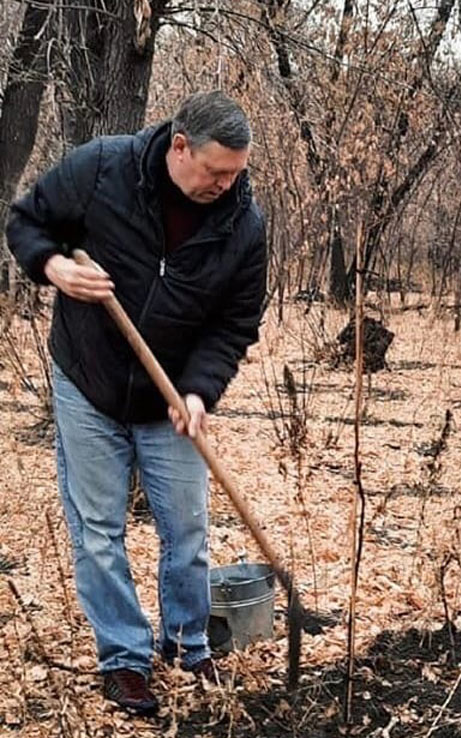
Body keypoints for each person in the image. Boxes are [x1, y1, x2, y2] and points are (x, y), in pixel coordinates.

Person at [6, 91, 267, 715]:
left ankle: (188, 641)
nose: (227, 185)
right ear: (180, 147)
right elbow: (26, 222)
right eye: (216, 172)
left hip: (171, 394)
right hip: (89, 381)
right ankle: (124, 658)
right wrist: (53, 269)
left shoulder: (243, 227)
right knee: (98, 530)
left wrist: (201, 390)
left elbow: (234, 325)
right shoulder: (102, 169)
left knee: (188, 528)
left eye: (236, 173)